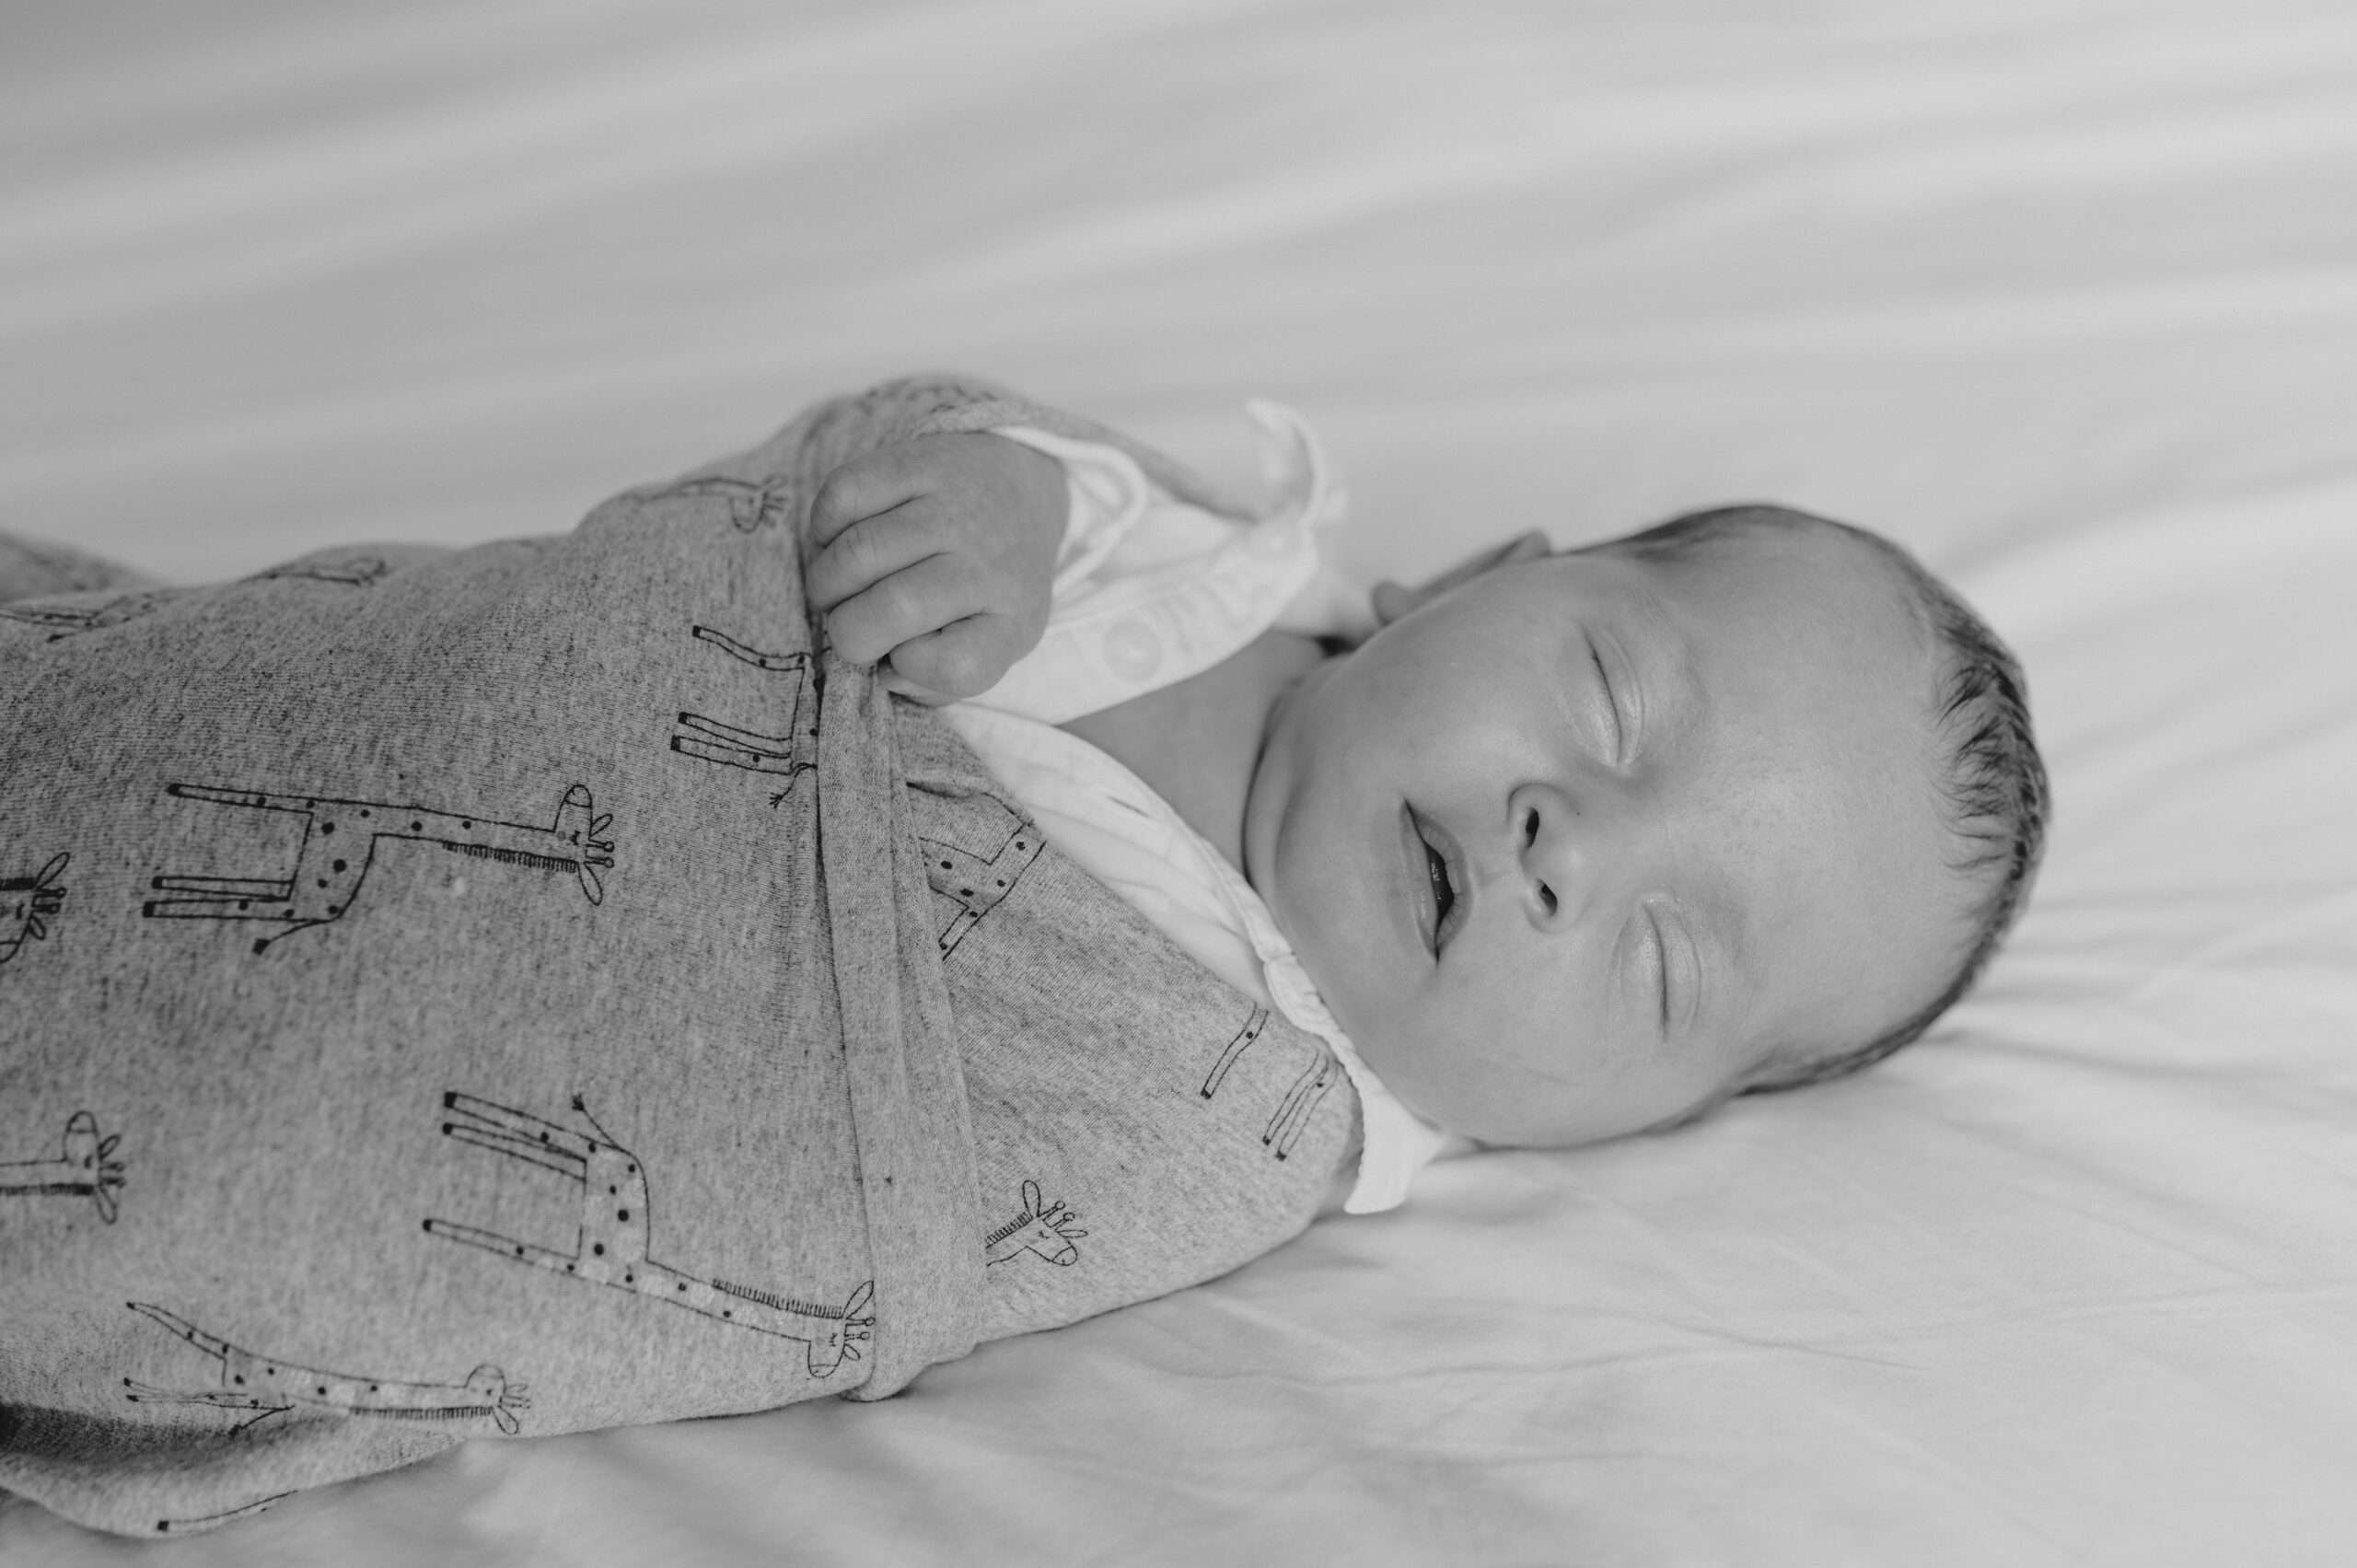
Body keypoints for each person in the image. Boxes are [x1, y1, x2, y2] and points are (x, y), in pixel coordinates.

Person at [801, 401, 2049, 1214]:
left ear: (1623, 1129)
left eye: (1663, 961)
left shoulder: (1230, 1148)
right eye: (1608, 699)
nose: (1572, 848)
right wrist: (1003, 492)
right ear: (1469, 581)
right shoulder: (1183, 547)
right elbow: (864, 467)